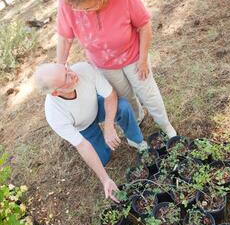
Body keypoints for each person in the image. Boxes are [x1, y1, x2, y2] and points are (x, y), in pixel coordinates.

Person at [56, 0, 177, 138]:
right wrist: (60, 66)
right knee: (125, 96)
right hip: (104, 63)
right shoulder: (69, 3)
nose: (85, 13)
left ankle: (166, 126)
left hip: (134, 56)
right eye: (81, 10)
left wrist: (143, 59)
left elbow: (144, 26)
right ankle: (137, 120)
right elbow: (65, 38)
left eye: (89, 8)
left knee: (148, 93)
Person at [34, 62, 148, 202]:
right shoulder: (54, 114)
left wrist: (108, 125)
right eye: (66, 78)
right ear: (56, 92)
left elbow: (110, 95)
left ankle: (136, 139)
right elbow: (82, 145)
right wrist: (106, 180)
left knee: (123, 107)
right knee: (102, 159)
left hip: (97, 107)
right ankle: (99, 140)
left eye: (66, 68)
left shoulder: (83, 69)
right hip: (84, 128)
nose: (72, 73)